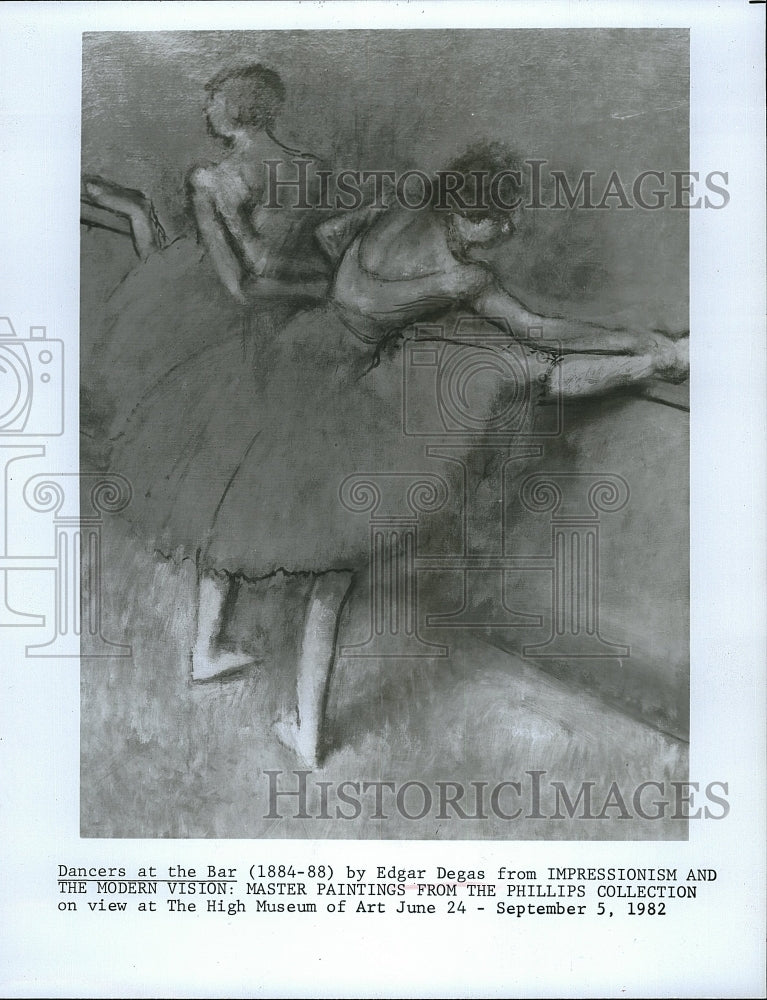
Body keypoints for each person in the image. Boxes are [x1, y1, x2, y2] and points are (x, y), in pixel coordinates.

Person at [104, 140, 688, 767]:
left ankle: (205, 653)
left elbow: (328, 239)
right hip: (336, 390)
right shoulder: (466, 277)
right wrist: (635, 336)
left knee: (230, 502)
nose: (503, 234)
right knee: (328, 571)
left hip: (289, 351)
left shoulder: (398, 206)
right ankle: (307, 729)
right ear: (467, 215)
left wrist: (362, 299)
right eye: (495, 223)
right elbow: (538, 328)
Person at [81, 64, 329, 458]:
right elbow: (274, 254)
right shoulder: (310, 166)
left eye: (212, 102)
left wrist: (224, 212)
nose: (206, 112)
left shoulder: (211, 178)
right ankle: (136, 211)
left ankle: (135, 212)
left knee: (157, 281)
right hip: (247, 276)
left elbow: (238, 281)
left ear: (234, 107)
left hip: (213, 284)